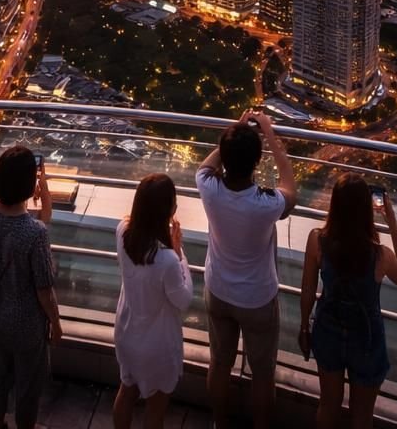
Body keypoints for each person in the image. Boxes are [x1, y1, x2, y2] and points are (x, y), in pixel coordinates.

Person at [196, 111, 296, 429]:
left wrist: (235, 130)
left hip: (218, 290)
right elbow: (290, 189)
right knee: (263, 375)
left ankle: (219, 422)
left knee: (219, 364)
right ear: (256, 162)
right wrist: (269, 134)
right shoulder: (265, 205)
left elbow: (207, 166)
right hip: (256, 298)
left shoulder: (208, 188)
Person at [298, 175, 397, 429]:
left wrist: (304, 327)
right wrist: (393, 224)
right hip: (366, 338)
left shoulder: (317, 240)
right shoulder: (379, 255)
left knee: (328, 405)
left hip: (327, 328)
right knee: (361, 417)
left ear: (335, 205)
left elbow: (307, 290)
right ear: (366, 210)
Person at [0, 145, 61, 429]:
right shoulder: (34, 234)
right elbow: (44, 290)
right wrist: (56, 323)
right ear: (27, 184)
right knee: (28, 384)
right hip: (28, 324)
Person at [112, 173, 192, 429]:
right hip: (156, 346)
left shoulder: (123, 231)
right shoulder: (167, 259)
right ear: (168, 212)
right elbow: (183, 299)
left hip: (126, 332)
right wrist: (180, 254)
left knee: (126, 392)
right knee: (155, 411)